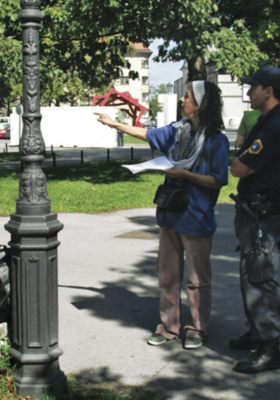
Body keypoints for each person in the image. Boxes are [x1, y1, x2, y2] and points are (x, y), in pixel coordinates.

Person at [95, 80, 230, 350]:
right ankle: (169, 326)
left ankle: (197, 328)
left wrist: (185, 174)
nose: (183, 100)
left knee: (197, 280)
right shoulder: (178, 131)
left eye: (188, 97)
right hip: (171, 215)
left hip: (197, 217)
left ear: (201, 105)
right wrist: (114, 124)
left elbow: (218, 180)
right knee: (168, 275)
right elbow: (147, 134)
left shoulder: (217, 141)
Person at [230, 66, 280, 374]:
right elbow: (243, 160)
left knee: (261, 279)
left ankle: (270, 349)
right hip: (254, 212)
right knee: (251, 275)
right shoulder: (266, 123)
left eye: (253, 86)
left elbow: (239, 168)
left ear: (268, 90)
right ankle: (258, 332)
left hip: (263, 215)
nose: (248, 91)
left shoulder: (275, 128)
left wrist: (240, 160)